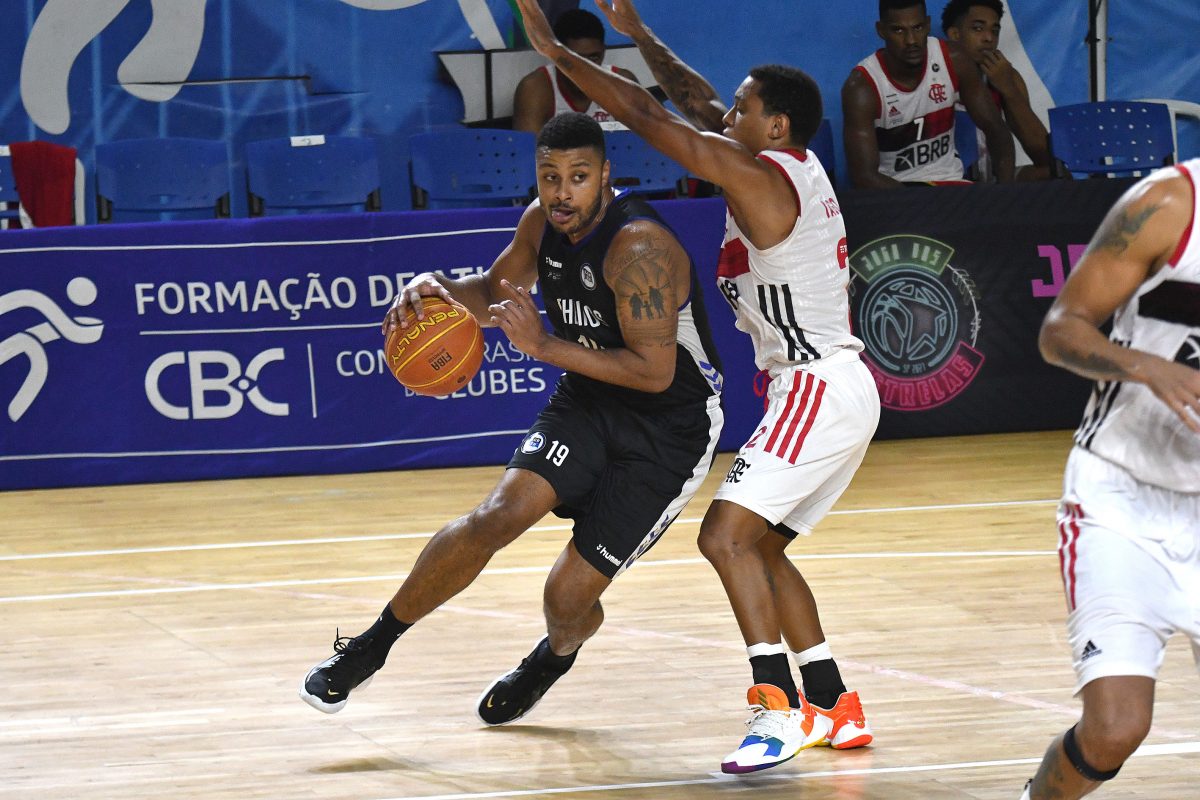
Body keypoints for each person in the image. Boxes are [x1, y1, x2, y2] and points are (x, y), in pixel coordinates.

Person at [515, 0, 879, 775]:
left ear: (774, 127)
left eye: (742, 108)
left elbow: (653, 117)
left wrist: (560, 54)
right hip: (831, 387)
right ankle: (834, 704)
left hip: (817, 385)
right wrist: (640, 34)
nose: (726, 114)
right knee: (763, 548)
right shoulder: (779, 160)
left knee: (724, 537)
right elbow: (692, 101)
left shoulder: (760, 177)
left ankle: (774, 709)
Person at [300, 111, 725, 726]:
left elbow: (653, 372)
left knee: (566, 598)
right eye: (550, 177)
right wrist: (438, 289)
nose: (561, 193)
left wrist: (544, 346)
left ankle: (553, 657)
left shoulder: (639, 248)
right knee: (495, 516)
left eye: (578, 177)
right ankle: (371, 646)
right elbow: (492, 292)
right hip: (590, 399)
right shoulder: (540, 223)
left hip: (669, 424)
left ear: (606, 175)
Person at [1022, 160, 1200, 799]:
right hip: (1119, 498)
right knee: (1114, 729)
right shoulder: (1170, 203)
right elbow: (1060, 330)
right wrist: (1146, 366)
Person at [842, 0, 1014, 188]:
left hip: (951, 185)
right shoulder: (863, 87)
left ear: (928, 25)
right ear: (881, 30)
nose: (911, 40)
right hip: (895, 192)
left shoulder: (954, 60)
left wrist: (1004, 194)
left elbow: (997, 129)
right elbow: (864, 176)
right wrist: (919, 202)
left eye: (917, 28)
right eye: (898, 30)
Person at [940, 0, 1052, 181]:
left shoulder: (1004, 75)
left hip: (993, 177)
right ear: (954, 34)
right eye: (978, 29)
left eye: (994, 31)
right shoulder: (933, 75)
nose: (989, 38)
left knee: (1053, 174)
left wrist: (1009, 90)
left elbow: (1044, 156)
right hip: (943, 181)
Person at [512, 9, 639, 133]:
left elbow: (640, 143)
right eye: (576, 59)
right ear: (557, 56)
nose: (586, 69)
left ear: (603, 51)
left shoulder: (623, 85)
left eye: (594, 57)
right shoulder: (536, 88)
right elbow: (527, 146)